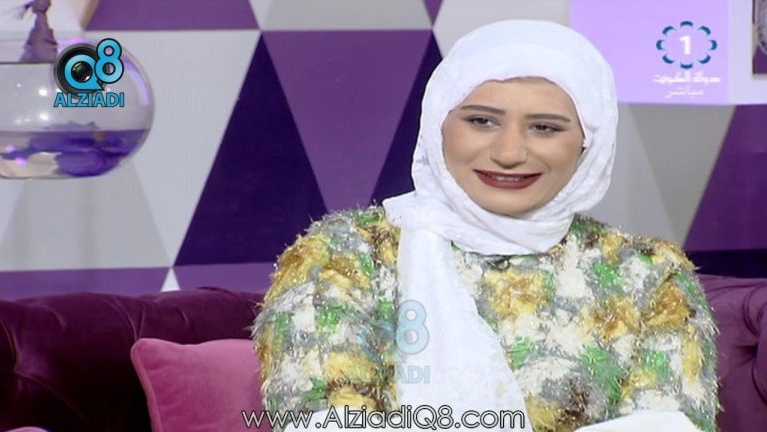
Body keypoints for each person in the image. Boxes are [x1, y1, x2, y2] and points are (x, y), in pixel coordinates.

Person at [250, 20, 719, 432]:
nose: (509, 152)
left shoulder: (648, 275)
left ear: (588, 143)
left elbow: (667, 425)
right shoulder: (343, 256)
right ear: (439, 126)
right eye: (481, 121)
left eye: (545, 127)